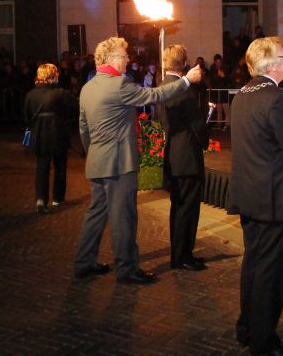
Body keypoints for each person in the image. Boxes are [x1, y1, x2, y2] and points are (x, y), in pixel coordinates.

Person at [74, 36, 203, 284]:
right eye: (124, 56)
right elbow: (154, 95)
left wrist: (94, 154)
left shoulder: (88, 88)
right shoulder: (118, 85)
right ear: (113, 59)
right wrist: (187, 80)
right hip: (119, 164)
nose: (127, 60)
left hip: (98, 162)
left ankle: (84, 262)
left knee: (96, 214)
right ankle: (127, 268)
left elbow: (84, 129)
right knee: (124, 217)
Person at [227, 37, 283, 356]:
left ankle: (247, 328)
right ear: (273, 64)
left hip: (249, 195)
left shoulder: (242, 95)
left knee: (253, 264)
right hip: (275, 199)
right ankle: (263, 342)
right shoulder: (277, 99)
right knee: (271, 273)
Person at [158, 44, 209, 272]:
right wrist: (205, 138)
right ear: (184, 63)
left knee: (178, 208)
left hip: (173, 153)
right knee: (188, 209)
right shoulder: (184, 90)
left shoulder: (162, 86)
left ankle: (179, 253)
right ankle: (183, 255)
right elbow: (197, 124)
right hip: (187, 156)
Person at [24, 63, 79, 214]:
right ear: (53, 75)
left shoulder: (30, 95)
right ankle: (58, 198)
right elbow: (77, 106)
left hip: (40, 133)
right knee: (60, 166)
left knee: (42, 166)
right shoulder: (61, 93)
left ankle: (41, 199)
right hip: (58, 132)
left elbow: (27, 117)